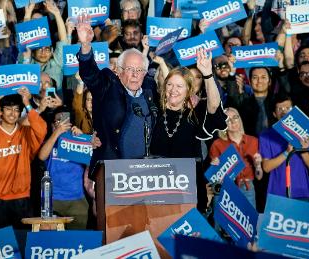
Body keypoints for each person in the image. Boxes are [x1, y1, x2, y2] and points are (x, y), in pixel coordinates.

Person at [150, 49, 227, 211]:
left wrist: (207, 74)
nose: (173, 90)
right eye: (170, 85)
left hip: (188, 189)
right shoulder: (154, 110)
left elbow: (213, 107)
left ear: (188, 90)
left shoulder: (195, 112)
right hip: (157, 188)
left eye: (179, 86)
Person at [77, 14, 158, 163]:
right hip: (112, 168)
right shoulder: (108, 85)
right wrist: (86, 45)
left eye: (139, 70)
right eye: (129, 69)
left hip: (146, 171)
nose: (134, 75)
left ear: (145, 73)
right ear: (119, 71)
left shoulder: (150, 88)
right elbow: (90, 75)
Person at [0, 90, 47, 230]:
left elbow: (41, 129)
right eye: (8, 109)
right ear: (0, 111)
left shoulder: (26, 133)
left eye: (17, 110)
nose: (13, 113)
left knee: (22, 245)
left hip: (21, 199)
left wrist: (27, 104)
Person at [38, 108, 95, 229]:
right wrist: (56, 133)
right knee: (54, 243)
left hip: (77, 200)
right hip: (53, 199)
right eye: (58, 121)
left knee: (77, 242)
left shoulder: (79, 140)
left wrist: (82, 137)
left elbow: (93, 159)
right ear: (53, 124)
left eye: (65, 120)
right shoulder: (51, 142)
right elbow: (42, 156)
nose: (62, 124)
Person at [259, 95, 309, 200]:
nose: (284, 111)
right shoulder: (265, 136)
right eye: (279, 109)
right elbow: (266, 167)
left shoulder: (305, 133)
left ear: (294, 111)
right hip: (277, 193)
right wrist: (287, 152)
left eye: (288, 108)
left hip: (301, 191)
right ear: (274, 114)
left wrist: (302, 150)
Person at [209, 107, 262, 207]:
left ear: (240, 118)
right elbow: (214, 180)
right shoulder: (217, 144)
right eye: (228, 120)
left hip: (247, 186)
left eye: (235, 117)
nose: (233, 121)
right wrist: (213, 168)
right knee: (222, 222)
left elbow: (259, 177)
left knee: (249, 221)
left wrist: (258, 165)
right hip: (224, 187)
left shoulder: (253, 141)